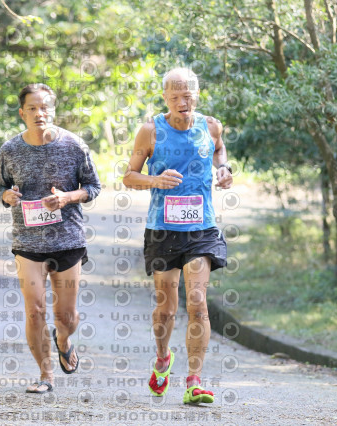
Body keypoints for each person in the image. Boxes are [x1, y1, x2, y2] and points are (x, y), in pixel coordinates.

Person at [122, 67, 233, 404]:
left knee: (197, 302)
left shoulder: (210, 126)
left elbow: (219, 150)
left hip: (202, 228)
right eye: (175, 97)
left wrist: (224, 169)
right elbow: (129, 176)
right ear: (165, 98)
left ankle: (194, 381)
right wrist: (155, 181)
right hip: (163, 229)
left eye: (188, 96)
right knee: (166, 309)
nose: (182, 102)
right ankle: (162, 358)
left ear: (196, 95)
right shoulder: (150, 131)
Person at [0, 83, 101, 394]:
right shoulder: (9, 150)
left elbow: (93, 187)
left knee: (66, 317)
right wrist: (6, 196)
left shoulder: (74, 145)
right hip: (28, 243)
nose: (40, 113)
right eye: (33, 108)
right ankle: (45, 374)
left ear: (53, 110)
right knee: (35, 310)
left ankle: (63, 339)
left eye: (45, 107)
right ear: (22, 113)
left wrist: (67, 198)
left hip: (67, 240)